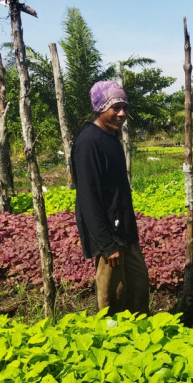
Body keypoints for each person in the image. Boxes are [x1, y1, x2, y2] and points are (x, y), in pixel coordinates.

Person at [71, 80, 150, 315]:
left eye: (124, 107)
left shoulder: (111, 138)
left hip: (125, 230)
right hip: (108, 236)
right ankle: (113, 341)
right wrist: (107, 244)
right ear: (100, 107)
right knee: (113, 296)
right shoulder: (88, 143)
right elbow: (88, 199)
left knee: (138, 286)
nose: (122, 113)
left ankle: (141, 336)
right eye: (115, 107)